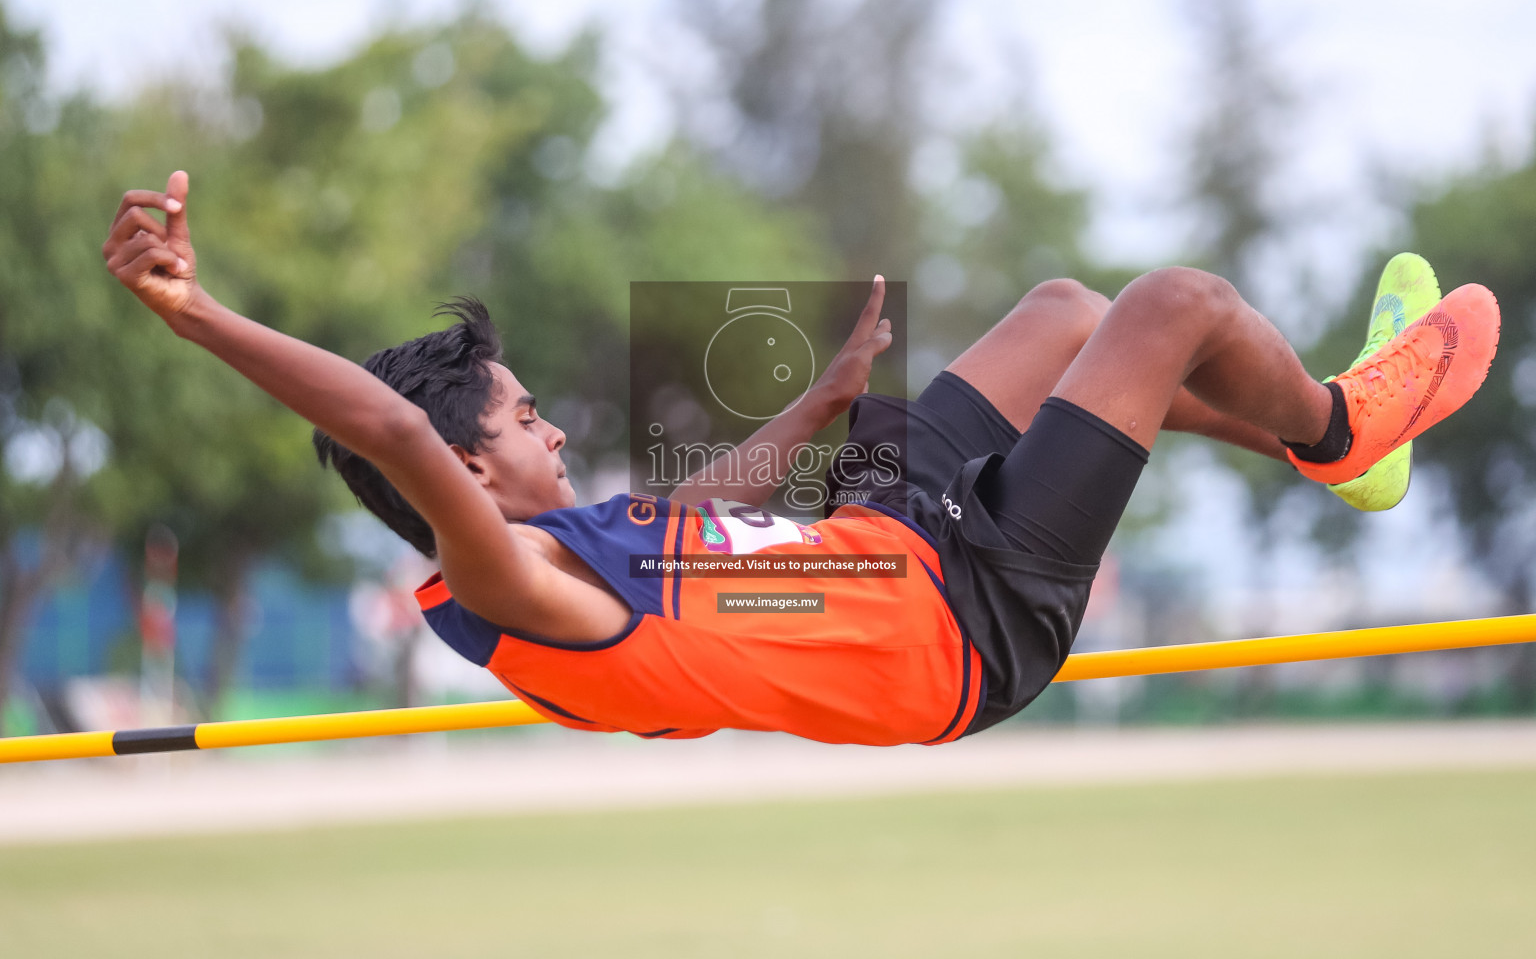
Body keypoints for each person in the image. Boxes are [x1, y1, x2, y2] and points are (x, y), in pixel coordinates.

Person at [102, 172, 1500, 745]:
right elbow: (394, 428)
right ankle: (1340, 430)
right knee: (1173, 307)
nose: (556, 425)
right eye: (526, 421)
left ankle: (1337, 447)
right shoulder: (512, 586)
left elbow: (705, 512)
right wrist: (194, 311)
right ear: (462, 482)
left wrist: (824, 401)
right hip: (963, 627)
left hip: (896, 539)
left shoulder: (597, 548)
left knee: (1069, 316)